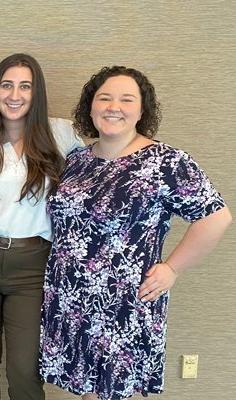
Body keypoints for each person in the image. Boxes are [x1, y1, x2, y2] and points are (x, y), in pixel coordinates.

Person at [39, 66, 231, 400]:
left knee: (111, 392)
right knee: (87, 392)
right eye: (104, 98)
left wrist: (172, 268)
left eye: (127, 99)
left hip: (123, 300)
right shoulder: (78, 161)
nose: (114, 106)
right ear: (91, 107)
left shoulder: (165, 162)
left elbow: (216, 217)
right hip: (72, 298)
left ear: (142, 111)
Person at [0, 53, 83, 400]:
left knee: (24, 368)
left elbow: (100, 169)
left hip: (33, 267)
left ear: (36, 93)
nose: (15, 95)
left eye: (25, 86)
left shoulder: (61, 133)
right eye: (7, 85)